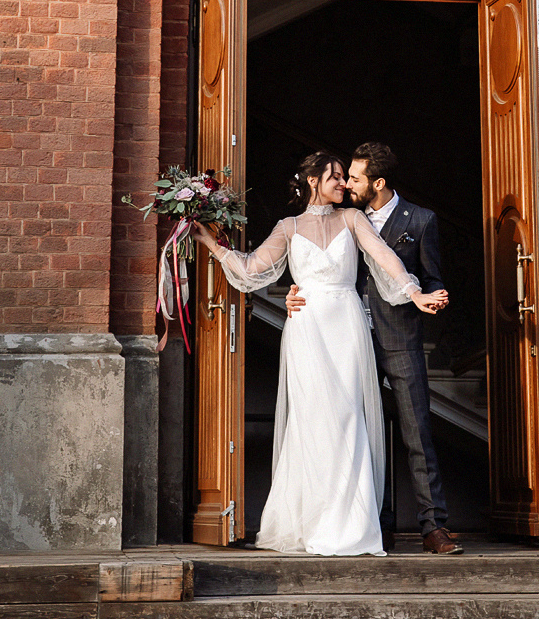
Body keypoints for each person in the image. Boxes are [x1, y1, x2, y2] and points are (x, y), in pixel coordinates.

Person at [188, 150, 447, 557]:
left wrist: (414, 294)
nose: (344, 184)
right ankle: (311, 522)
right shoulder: (288, 227)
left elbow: (386, 260)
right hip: (307, 329)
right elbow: (254, 267)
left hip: (346, 326)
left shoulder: (353, 219)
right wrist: (214, 246)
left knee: (347, 419)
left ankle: (351, 525)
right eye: (337, 177)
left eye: (346, 177)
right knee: (311, 422)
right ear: (314, 181)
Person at [286, 142, 461, 555]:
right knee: (358, 434)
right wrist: (297, 289)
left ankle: (433, 526)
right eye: (344, 176)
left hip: (400, 340)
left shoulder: (420, 220)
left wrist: (431, 296)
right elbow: (317, 263)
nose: (347, 183)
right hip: (348, 340)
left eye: (356, 178)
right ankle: (371, 525)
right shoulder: (344, 217)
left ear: (378, 183)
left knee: (417, 433)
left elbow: (431, 276)